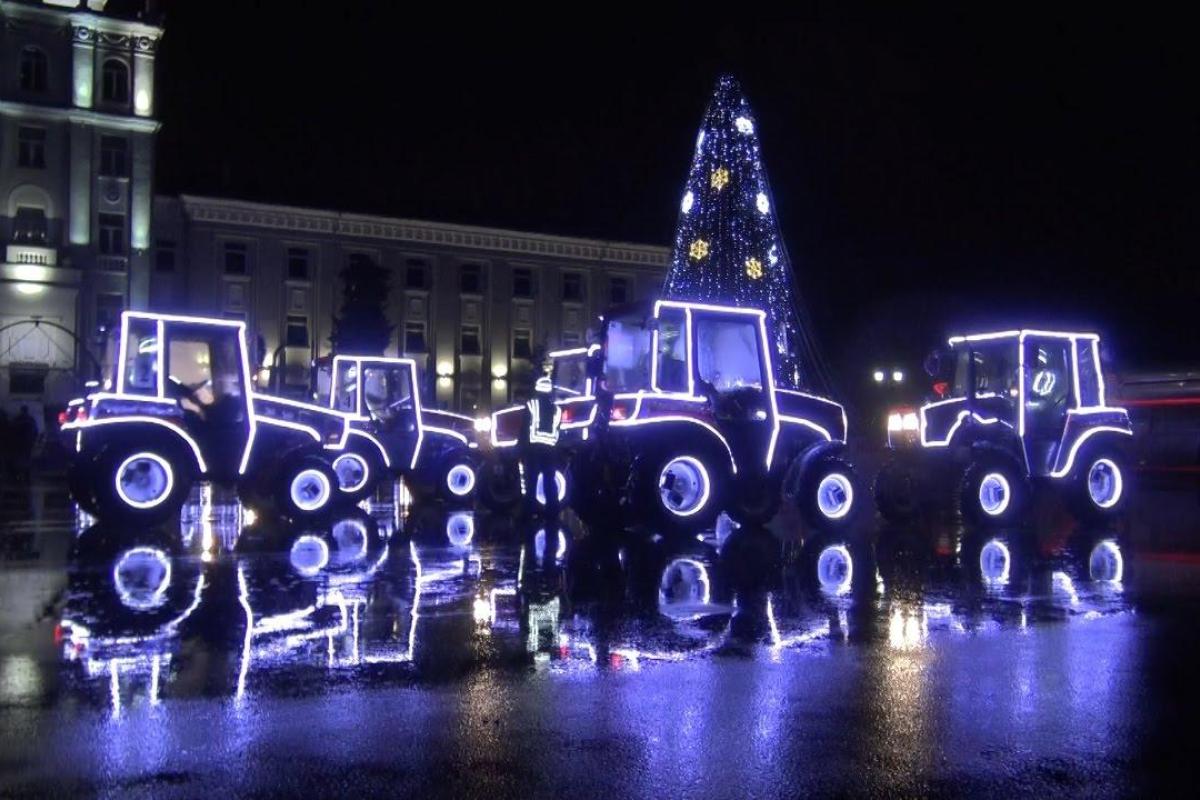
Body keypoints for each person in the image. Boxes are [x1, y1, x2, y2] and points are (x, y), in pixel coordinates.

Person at [520, 376, 562, 520]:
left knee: (530, 481)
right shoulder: (557, 409)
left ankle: (529, 512)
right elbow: (558, 431)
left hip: (534, 449)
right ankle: (553, 512)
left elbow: (524, 427)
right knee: (549, 481)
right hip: (550, 450)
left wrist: (520, 447)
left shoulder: (532, 404)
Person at [12, 405, 38, 483]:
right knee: (27, 458)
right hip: (28, 442)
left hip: (19, 442)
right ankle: (26, 476)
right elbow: (35, 431)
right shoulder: (30, 419)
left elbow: (12, 430)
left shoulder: (17, 419)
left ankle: (18, 476)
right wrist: (33, 440)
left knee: (18, 459)